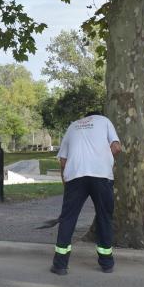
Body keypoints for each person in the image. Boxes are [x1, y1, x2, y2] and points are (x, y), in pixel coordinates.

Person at [50, 111, 122, 275]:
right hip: (101, 176)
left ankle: (60, 265)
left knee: (68, 218)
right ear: (97, 116)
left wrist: (65, 182)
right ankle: (107, 263)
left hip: (75, 176)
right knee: (104, 217)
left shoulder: (73, 125)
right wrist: (102, 159)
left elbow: (63, 160)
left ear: (85, 117)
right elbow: (117, 147)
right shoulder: (104, 120)